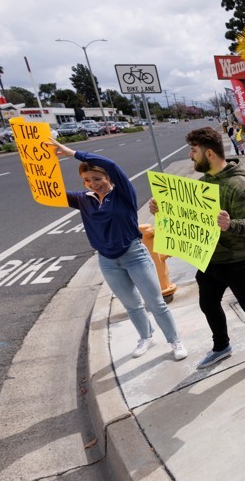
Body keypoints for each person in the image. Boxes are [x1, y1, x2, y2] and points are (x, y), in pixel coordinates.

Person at [50, 141, 188, 361]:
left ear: (108, 178)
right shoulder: (83, 200)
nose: (93, 184)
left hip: (135, 255)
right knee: (132, 305)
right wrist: (37, 161)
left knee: (155, 303)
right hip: (107, 261)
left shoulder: (123, 194)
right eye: (87, 180)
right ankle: (146, 337)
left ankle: (175, 341)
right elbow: (48, 191)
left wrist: (73, 153)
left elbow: (111, 164)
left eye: (98, 179)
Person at [150, 127, 245, 375]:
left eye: (194, 151)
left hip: (239, 262)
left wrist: (230, 224)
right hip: (209, 260)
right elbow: (188, 219)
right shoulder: (202, 185)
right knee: (208, 304)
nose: (191, 156)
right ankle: (222, 346)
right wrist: (161, 209)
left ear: (210, 154)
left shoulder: (239, 185)